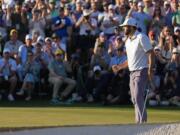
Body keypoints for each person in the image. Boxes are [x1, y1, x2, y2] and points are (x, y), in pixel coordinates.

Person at [119, 17, 154, 123]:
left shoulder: (141, 37)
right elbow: (129, 61)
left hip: (142, 70)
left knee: (138, 96)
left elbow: (151, 53)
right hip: (132, 72)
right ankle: (138, 121)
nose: (124, 29)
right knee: (134, 98)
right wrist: (119, 67)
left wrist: (150, 70)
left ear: (132, 27)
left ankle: (143, 122)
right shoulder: (127, 41)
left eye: (125, 27)